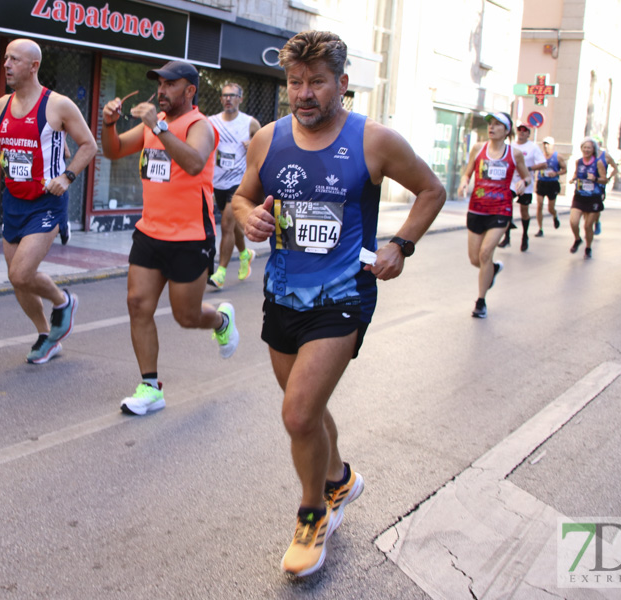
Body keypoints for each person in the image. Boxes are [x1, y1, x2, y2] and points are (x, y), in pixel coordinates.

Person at [232, 31, 445, 577]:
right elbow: (241, 195)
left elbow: (431, 190)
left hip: (343, 295)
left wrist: (401, 243)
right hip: (281, 295)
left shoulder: (374, 140)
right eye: (295, 82)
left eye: (316, 82)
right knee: (310, 412)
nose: (303, 93)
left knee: (298, 411)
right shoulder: (269, 139)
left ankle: (312, 515)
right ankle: (341, 479)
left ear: (343, 84)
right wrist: (243, 215)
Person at [101, 59, 239, 416]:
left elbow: (193, 162)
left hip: (190, 236)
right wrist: (109, 123)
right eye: (159, 84)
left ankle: (221, 321)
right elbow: (113, 150)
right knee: (137, 304)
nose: (162, 91)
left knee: (186, 316)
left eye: (170, 84)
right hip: (150, 231)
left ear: (189, 90)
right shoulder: (154, 127)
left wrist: (158, 128)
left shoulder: (201, 125)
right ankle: (150, 387)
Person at [0, 39, 97, 364]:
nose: (6, 64)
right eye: (5, 58)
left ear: (33, 66)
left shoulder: (58, 105)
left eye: (14, 59)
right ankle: (46, 335)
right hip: (14, 202)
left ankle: (63, 301)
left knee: (21, 274)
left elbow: (88, 145)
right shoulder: (1, 105)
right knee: (17, 279)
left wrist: (67, 177)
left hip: (46, 203)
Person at [456, 112, 530, 318]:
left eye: (498, 125)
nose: (492, 127)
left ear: (507, 131)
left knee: (485, 253)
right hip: (477, 208)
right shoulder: (478, 148)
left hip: (501, 209)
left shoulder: (514, 154)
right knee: (474, 259)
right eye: (490, 124)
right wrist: (463, 182)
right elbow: (467, 172)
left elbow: (527, 177)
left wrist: (522, 184)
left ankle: (480, 301)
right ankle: (493, 269)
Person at [207, 82, 261, 289]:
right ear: (221, 99)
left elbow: (266, 147)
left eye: (232, 95)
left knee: (228, 224)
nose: (228, 99)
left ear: (240, 98)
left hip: (238, 182)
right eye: (225, 95)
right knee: (235, 225)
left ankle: (220, 273)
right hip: (217, 181)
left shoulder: (250, 123)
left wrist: (253, 145)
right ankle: (245, 255)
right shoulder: (211, 122)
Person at [501, 124, 545, 251]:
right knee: (506, 204)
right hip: (511, 182)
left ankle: (525, 236)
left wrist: (527, 169)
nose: (521, 132)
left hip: (525, 183)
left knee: (524, 211)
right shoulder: (511, 146)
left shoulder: (533, 147)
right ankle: (507, 237)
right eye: (519, 130)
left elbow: (543, 164)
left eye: (524, 131)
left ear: (528, 134)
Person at [566, 139, 607, 258]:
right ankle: (578, 239)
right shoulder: (578, 162)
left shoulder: (598, 163)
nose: (586, 150)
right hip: (579, 196)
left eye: (589, 148)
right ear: (581, 148)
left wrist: (595, 179)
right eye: (585, 147)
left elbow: (604, 179)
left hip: (593, 197)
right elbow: (576, 173)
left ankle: (588, 247)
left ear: (593, 150)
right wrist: (573, 179)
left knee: (588, 226)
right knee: (573, 221)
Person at [534, 136, 566, 236]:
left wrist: (556, 173)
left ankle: (555, 215)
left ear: (553, 145)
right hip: (542, 182)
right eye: (544, 144)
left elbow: (565, 169)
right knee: (539, 205)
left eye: (548, 144)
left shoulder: (558, 157)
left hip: (552, 184)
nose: (546, 146)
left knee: (550, 208)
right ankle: (540, 229)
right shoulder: (540, 156)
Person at [592, 136, 615, 236]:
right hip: (589, 184)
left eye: (596, 143)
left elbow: (615, 168)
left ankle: (596, 222)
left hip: (600, 184)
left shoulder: (606, 156)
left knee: (596, 207)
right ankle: (588, 225)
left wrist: (609, 177)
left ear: (600, 145)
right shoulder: (588, 155)